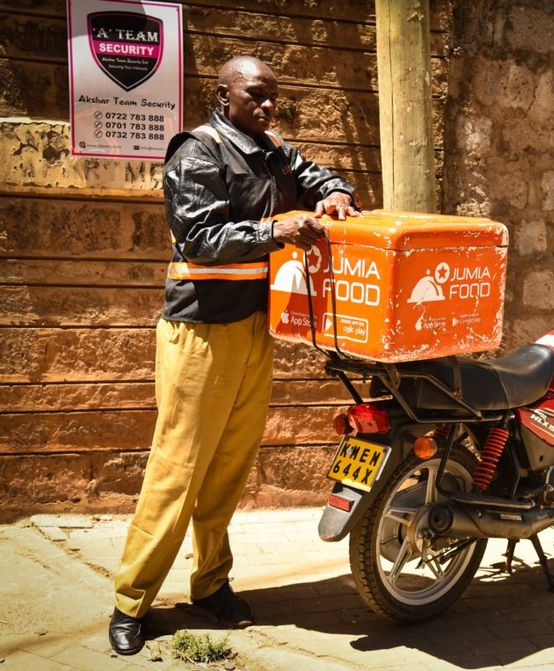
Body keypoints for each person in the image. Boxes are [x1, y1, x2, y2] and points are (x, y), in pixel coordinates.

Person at [108, 55, 358, 656]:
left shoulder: (273, 149)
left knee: (228, 469)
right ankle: (130, 601)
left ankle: (211, 584)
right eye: (255, 96)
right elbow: (200, 239)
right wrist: (277, 230)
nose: (268, 106)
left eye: (273, 97)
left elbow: (319, 176)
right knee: (178, 470)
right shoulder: (197, 152)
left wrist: (336, 192)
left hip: (254, 329)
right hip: (201, 332)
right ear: (224, 96)